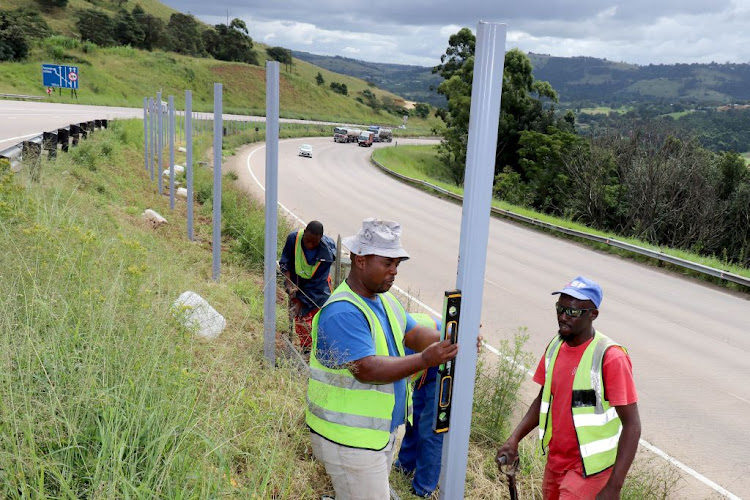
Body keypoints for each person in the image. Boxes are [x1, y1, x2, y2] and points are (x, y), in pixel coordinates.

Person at [306, 218, 459, 500]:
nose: (394, 271)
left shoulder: (384, 300)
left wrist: (453, 337)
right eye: (387, 263)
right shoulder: (343, 311)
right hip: (349, 442)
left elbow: (413, 334)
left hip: (375, 436)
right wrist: (426, 359)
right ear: (360, 259)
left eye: (397, 264)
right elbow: (366, 368)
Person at [496, 276, 641, 500]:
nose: (563, 317)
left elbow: (632, 425)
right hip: (556, 463)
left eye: (572, 312)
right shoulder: (555, 346)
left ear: (593, 314)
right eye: (560, 309)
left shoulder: (610, 358)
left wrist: (614, 487)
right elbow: (544, 399)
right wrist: (515, 438)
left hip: (589, 472)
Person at [394, 313, 444, 498]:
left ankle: (423, 488)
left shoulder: (392, 345)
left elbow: (396, 385)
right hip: (425, 357)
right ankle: (404, 465)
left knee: (430, 428)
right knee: (414, 417)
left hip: (444, 362)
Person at [278, 220, 336, 351]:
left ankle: (321, 349)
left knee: (318, 316)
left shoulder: (326, 254)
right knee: (299, 317)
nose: (309, 245)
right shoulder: (294, 239)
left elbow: (317, 285)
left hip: (319, 284)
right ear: (304, 234)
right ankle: (308, 349)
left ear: (320, 239)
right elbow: (286, 261)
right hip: (297, 279)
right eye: (307, 240)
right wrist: (289, 283)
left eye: (314, 243)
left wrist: (301, 303)